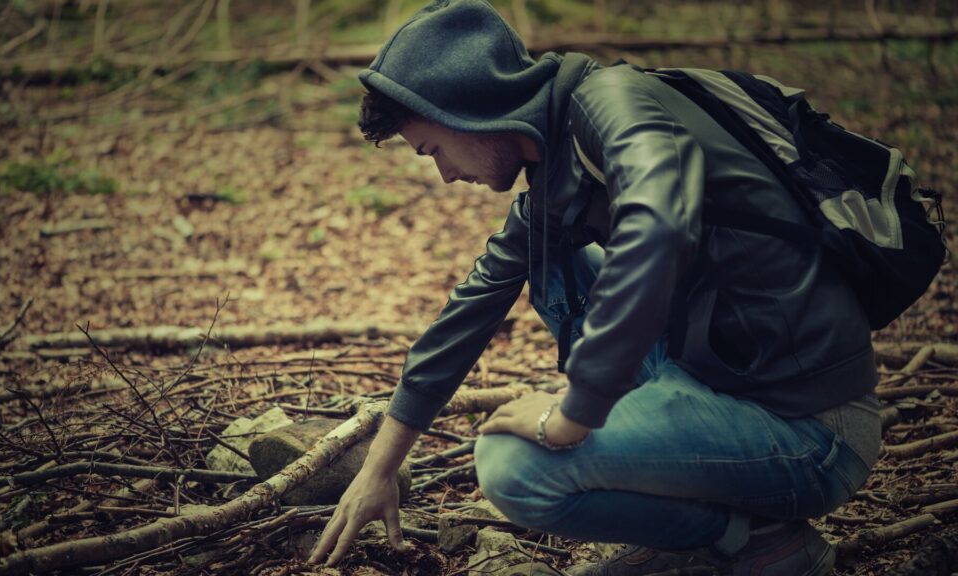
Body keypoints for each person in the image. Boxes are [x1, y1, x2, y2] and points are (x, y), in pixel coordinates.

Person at [307, 1, 883, 574]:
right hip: (721, 378)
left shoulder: (617, 106)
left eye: (432, 150)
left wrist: (571, 416)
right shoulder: (555, 170)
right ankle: (724, 524)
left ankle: (754, 542)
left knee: (514, 465)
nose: (447, 174)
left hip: (812, 428)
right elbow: (471, 307)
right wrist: (379, 467)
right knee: (551, 262)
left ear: (464, 109)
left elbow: (657, 225)